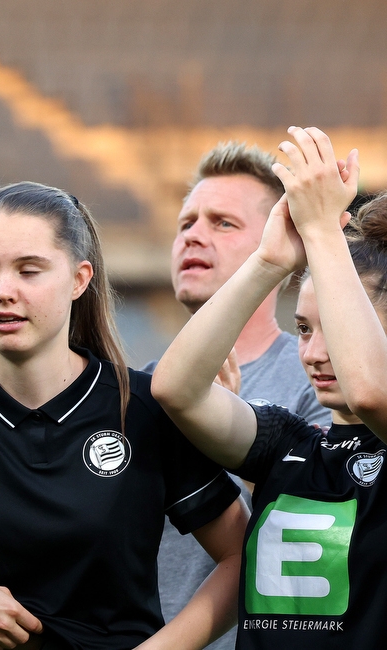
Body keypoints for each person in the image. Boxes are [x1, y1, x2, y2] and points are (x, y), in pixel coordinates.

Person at [0, 182, 248, 649]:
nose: (3, 291)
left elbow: (243, 555)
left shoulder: (143, 408)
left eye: (29, 271)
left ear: (80, 279)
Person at [152, 126, 385, 647]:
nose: (314, 352)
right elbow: (174, 390)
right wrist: (270, 261)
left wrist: (322, 230)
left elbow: (370, 390)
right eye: (303, 328)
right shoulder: (293, 443)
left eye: (339, 326)